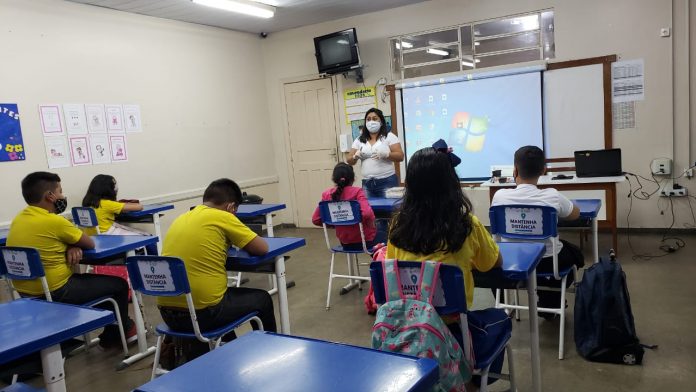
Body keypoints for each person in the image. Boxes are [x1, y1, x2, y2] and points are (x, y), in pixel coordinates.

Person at [6, 172, 135, 348]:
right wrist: (73, 244)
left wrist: (70, 245)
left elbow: (51, 241)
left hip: (25, 292)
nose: (62, 196)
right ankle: (118, 333)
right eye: (60, 191)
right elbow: (89, 243)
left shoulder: (18, 220)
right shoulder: (54, 221)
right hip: (57, 291)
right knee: (119, 285)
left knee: (97, 284)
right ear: (50, 196)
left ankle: (78, 335)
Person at [157, 178, 277, 361]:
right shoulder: (224, 217)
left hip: (168, 315)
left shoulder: (182, 217)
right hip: (203, 315)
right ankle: (271, 353)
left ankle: (228, 355)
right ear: (231, 207)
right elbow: (262, 248)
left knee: (224, 298)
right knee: (262, 299)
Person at [386, 147, 502, 310]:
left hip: (410, 322)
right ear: (451, 183)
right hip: (455, 326)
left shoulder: (397, 224)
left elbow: (392, 265)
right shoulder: (467, 224)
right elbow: (492, 262)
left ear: (410, 185)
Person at [490, 145, 585, 317]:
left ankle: (505, 305)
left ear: (515, 170)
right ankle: (551, 303)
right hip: (548, 262)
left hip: (511, 262)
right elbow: (575, 214)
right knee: (574, 254)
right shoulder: (552, 195)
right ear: (543, 170)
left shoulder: (499, 196)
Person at [311, 163, 383, 250]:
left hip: (344, 243)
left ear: (334, 179)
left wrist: (337, 223)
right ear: (353, 179)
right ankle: (379, 261)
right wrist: (362, 222)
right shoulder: (357, 192)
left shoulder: (327, 195)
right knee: (386, 235)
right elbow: (367, 214)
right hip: (365, 241)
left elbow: (315, 219)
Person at [346, 108, 404, 198]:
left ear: (381, 121)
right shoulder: (359, 139)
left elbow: (400, 156)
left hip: (387, 181)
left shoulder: (389, 136)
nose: (371, 121)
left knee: (389, 211)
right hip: (367, 183)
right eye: (368, 119)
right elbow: (349, 160)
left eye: (375, 118)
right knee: (368, 211)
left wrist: (387, 154)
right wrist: (355, 156)